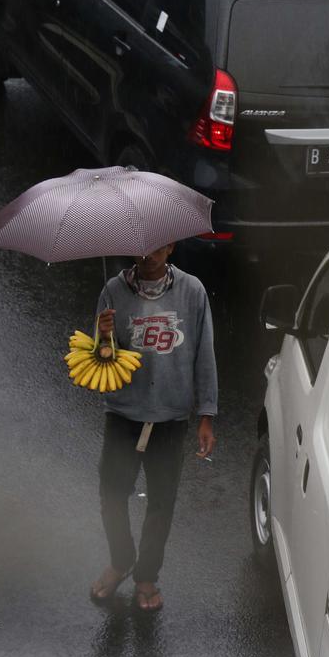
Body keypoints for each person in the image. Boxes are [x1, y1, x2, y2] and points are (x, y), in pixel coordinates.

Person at [88, 243, 217, 612]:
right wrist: (105, 335)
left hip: (171, 418)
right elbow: (98, 359)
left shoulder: (192, 292)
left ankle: (146, 576)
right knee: (112, 493)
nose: (148, 254)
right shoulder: (113, 291)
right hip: (124, 414)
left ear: (172, 245)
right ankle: (121, 559)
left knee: (161, 502)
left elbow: (204, 353)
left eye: (157, 246)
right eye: (141, 248)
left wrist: (207, 413)